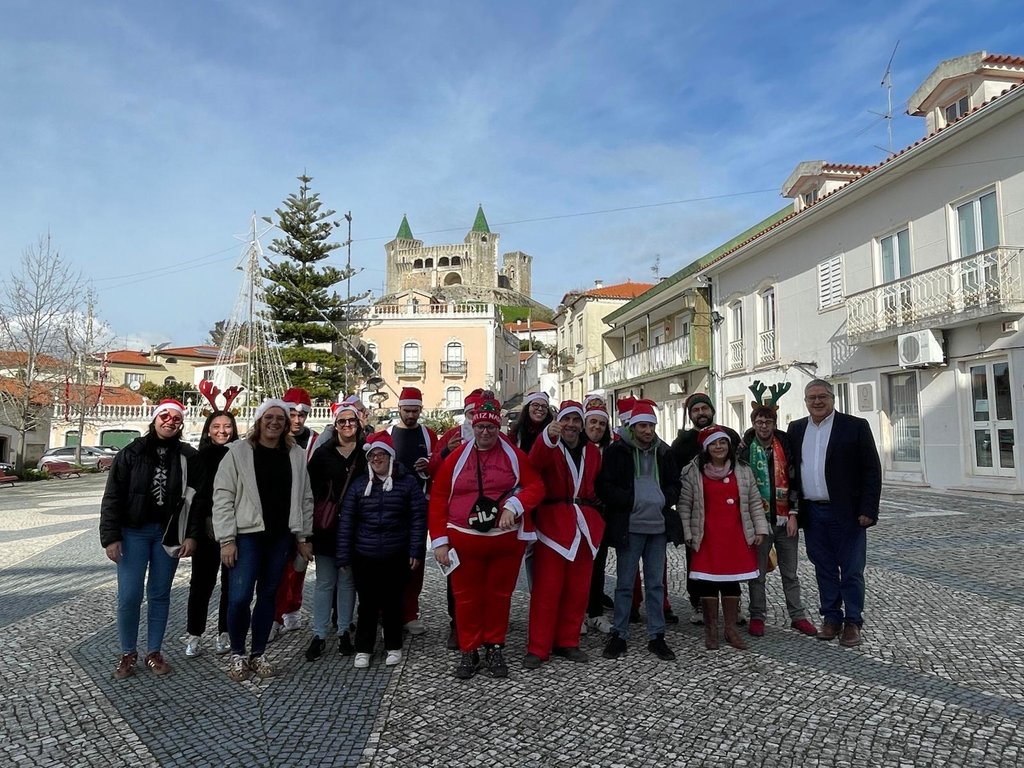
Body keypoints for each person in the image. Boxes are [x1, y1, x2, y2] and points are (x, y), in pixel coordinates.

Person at [429, 398, 544, 680]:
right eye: (480, 426)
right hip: (464, 540)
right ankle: (469, 649)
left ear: (498, 427)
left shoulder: (513, 455)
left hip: (504, 542)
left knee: (499, 596)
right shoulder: (456, 458)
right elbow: (439, 498)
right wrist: (440, 541)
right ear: (472, 425)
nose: (485, 433)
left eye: (490, 428)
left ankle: (494, 645)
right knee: (465, 598)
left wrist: (514, 506)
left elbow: (536, 486)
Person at [213, 399, 314, 682]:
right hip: (246, 536)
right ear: (259, 421)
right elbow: (222, 497)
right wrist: (226, 540)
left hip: (280, 536)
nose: (274, 422)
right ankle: (237, 653)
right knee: (240, 596)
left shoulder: (296, 454)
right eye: (269, 417)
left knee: (268, 595)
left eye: (280, 418)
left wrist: (304, 536)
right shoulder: (238, 453)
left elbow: (305, 498)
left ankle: (258, 653)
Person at [100, 399, 197, 679]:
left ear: (181, 423)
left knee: (159, 594)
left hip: (168, 534)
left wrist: (191, 535)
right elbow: (113, 496)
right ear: (154, 419)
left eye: (176, 418)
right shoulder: (131, 452)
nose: (170, 421)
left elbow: (196, 500)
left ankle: (154, 651)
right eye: (164, 416)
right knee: (129, 596)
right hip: (133, 532)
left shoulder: (188, 455)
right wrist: (110, 537)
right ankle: (127, 652)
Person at [787, 379, 881, 648]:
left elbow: (871, 470)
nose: (817, 402)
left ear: (832, 398)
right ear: (805, 401)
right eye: (811, 397)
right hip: (813, 512)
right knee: (824, 568)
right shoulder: (796, 429)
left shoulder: (855, 427)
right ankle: (831, 618)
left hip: (848, 513)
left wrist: (868, 510)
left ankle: (852, 621)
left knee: (851, 569)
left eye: (822, 396)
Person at [597, 400, 681, 661]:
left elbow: (674, 483)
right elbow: (604, 485)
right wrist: (629, 501)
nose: (648, 430)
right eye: (643, 425)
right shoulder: (616, 451)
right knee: (624, 584)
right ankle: (619, 634)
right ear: (633, 427)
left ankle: (657, 635)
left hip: (657, 527)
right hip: (630, 526)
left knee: (656, 584)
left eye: (651, 425)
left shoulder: (663, 453)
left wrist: (663, 499)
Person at [524, 400, 603, 669]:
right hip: (553, 525)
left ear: (581, 425)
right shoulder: (551, 446)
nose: (571, 425)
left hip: (584, 525)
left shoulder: (592, 451)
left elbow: (595, 486)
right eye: (567, 419)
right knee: (547, 590)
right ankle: (538, 647)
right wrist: (548, 436)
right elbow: (534, 461)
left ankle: (568, 641)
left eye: (576, 421)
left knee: (577, 590)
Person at [337, 431, 427, 669]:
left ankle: (393, 645)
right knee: (366, 603)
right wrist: (344, 554)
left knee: (392, 602)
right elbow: (347, 520)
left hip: (395, 551)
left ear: (390, 457)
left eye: (381, 455)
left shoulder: (407, 483)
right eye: (372, 455)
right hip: (364, 553)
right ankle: (364, 648)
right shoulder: (359, 485)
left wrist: (416, 550)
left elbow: (418, 517)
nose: (376, 459)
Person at [679, 425, 768, 650]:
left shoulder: (743, 470)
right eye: (714, 443)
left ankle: (730, 629)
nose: (718, 447)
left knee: (731, 582)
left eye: (723, 442)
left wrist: (759, 529)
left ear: (729, 446)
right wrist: (687, 533)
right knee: (708, 583)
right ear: (706, 447)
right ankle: (711, 631)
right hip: (707, 535)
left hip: (735, 535)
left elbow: (754, 502)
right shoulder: (693, 471)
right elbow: (684, 505)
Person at [738, 392, 817, 638]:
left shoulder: (785, 446)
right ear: (753, 423)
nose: (764, 426)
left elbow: (795, 480)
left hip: (785, 519)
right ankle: (757, 616)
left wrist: (794, 513)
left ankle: (797, 616)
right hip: (758, 521)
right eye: (759, 422)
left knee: (790, 573)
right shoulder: (743, 449)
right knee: (757, 574)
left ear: (774, 423)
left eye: (768, 422)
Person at [670, 392, 740, 625]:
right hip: (698, 511)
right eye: (696, 410)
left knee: (730, 556)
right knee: (698, 558)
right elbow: (675, 476)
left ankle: (733, 605)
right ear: (690, 415)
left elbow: (741, 466)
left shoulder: (729, 435)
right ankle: (698, 603)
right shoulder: (682, 443)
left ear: (712, 411)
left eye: (704, 409)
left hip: (728, 510)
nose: (701, 413)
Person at [304, 402, 364, 662]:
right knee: (325, 582)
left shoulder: (366, 452)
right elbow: (310, 495)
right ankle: (319, 633)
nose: (347, 425)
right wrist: (304, 534)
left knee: (348, 581)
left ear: (359, 424)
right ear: (335, 425)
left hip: (356, 528)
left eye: (352, 421)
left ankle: (343, 631)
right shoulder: (323, 454)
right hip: (327, 528)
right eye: (342, 422)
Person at [183, 407, 240, 657]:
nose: (222, 431)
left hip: (233, 529)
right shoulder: (199, 457)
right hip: (206, 530)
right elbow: (194, 497)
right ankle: (195, 634)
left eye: (227, 426)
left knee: (231, 585)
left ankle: (224, 632)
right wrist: (194, 531)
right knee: (200, 585)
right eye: (217, 427)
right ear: (208, 430)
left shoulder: (240, 455)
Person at [386, 386, 437, 637]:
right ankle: (389, 612)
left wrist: (429, 466)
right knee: (390, 560)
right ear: (399, 409)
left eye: (415, 411)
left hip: (419, 505)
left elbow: (440, 466)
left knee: (416, 560)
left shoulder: (428, 435)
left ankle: (410, 613)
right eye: (407, 410)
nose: (411, 415)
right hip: (390, 506)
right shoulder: (387, 434)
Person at [270, 387, 319, 640]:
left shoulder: (316, 440)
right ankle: (274, 615)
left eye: (302, 415)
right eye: (293, 414)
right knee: (277, 566)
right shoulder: (272, 438)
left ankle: (293, 607)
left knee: (299, 564)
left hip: (305, 511)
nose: (297, 420)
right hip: (277, 513)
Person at [582, 402, 614, 634]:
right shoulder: (576, 448)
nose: (597, 426)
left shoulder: (611, 449)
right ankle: (579, 612)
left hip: (603, 513)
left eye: (602, 423)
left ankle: (595, 612)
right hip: (581, 511)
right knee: (579, 565)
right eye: (593, 422)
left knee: (598, 564)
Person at [508, 391, 553, 455]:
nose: (540, 409)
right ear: (527, 408)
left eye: (544, 406)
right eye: (535, 405)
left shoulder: (551, 432)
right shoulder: (516, 433)